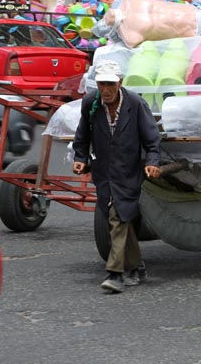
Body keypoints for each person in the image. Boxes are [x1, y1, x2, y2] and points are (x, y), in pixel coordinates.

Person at [72, 61, 161, 294]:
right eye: (102, 84)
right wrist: (80, 157)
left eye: (110, 84)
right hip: (103, 171)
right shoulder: (90, 103)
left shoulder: (136, 104)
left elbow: (152, 139)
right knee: (120, 215)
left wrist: (152, 162)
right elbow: (82, 134)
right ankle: (137, 267)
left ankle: (115, 274)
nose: (106, 90)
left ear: (120, 83)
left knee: (117, 217)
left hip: (128, 171)